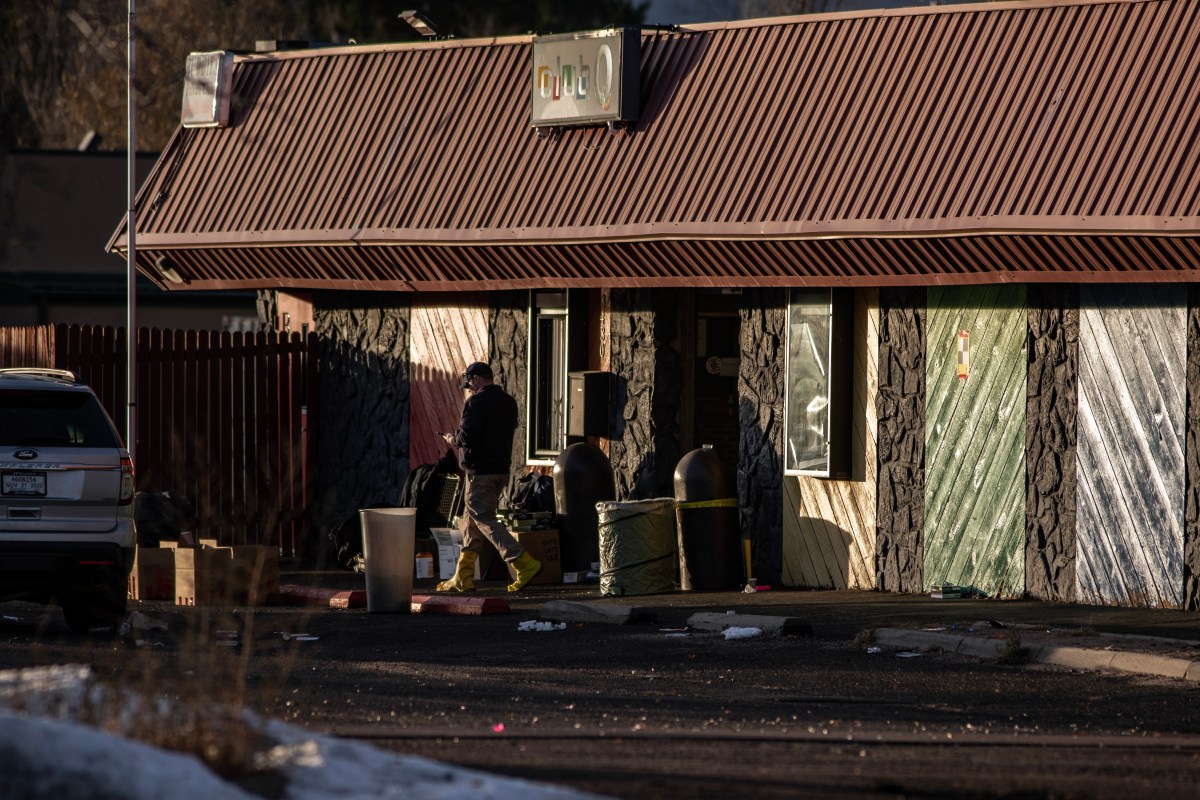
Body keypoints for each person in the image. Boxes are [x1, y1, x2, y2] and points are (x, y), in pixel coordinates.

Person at [437, 361, 541, 593]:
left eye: (470, 383)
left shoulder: (476, 402)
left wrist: (451, 439)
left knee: (483, 518)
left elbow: (467, 438)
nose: (469, 388)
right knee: (469, 522)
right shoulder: (508, 401)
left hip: (479, 472)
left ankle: (523, 562)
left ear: (476, 378)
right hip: (500, 471)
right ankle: (463, 576)